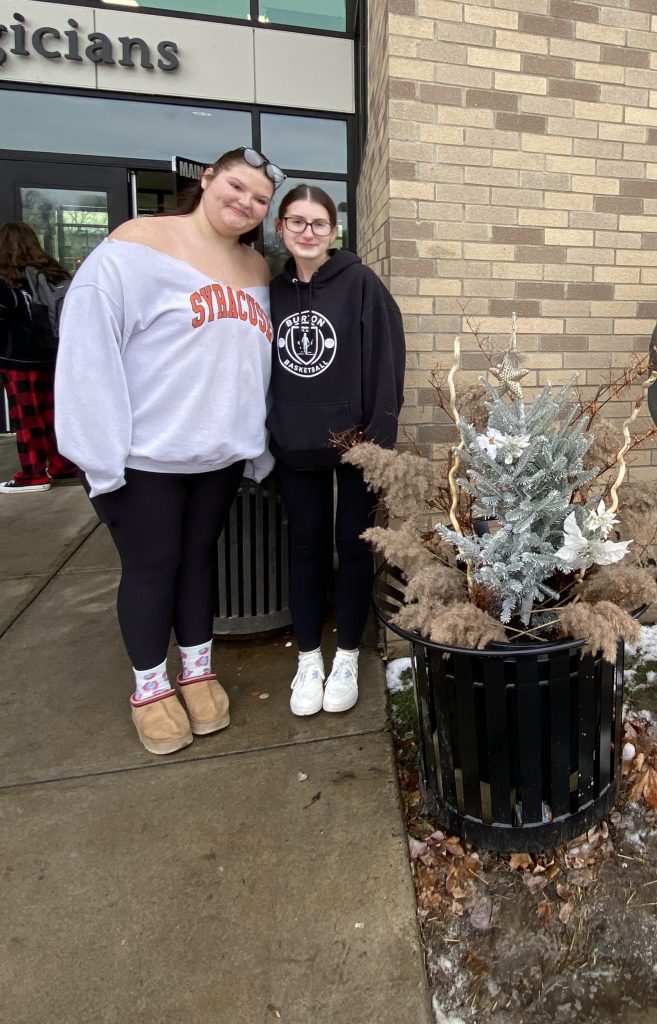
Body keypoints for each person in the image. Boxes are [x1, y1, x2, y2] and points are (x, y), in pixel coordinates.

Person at [54, 146, 285, 755]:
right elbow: (87, 349)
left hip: (218, 455)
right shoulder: (138, 243)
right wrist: (96, 452)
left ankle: (198, 670)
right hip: (143, 455)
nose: (247, 203)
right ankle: (150, 689)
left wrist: (254, 441)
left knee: (199, 562)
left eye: (260, 198)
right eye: (236, 187)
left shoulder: (256, 268)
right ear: (206, 180)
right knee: (152, 569)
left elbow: (252, 366)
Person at [269, 185, 405, 716]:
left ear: (333, 230)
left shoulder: (360, 284)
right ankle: (308, 657)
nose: (307, 232)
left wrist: (377, 444)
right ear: (281, 227)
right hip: (293, 442)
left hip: (354, 445)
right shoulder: (268, 290)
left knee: (353, 546)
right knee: (304, 548)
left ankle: (346, 653)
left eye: (318, 223)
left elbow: (386, 361)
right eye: (297, 222)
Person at [0, 222, 78, 492]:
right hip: (54, 355)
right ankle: (63, 464)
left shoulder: (8, 278)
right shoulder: (53, 272)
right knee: (53, 413)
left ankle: (33, 474)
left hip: (19, 359)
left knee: (26, 416)